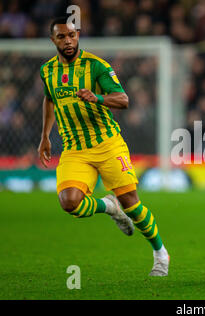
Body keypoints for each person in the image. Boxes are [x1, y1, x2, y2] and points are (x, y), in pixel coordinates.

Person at [37, 17, 169, 276]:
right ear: (53, 40)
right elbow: (49, 100)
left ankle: (160, 253)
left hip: (107, 144)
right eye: (62, 37)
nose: (68, 41)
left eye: (72, 35)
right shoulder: (47, 70)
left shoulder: (96, 66)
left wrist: (96, 97)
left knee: (132, 204)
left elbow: (123, 100)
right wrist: (44, 136)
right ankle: (109, 207)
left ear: (78, 36)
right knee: (70, 203)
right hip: (75, 149)